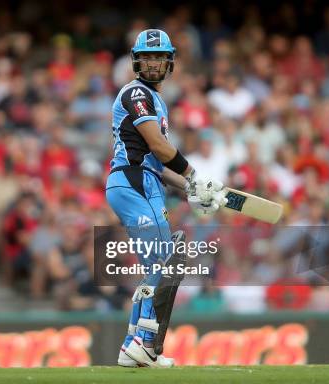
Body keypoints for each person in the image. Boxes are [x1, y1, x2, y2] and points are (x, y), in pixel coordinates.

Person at [105, 29, 227, 368]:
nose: (154, 63)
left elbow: (157, 164)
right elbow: (159, 147)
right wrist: (193, 177)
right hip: (133, 184)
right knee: (164, 260)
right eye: (148, 57)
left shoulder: (156, 101)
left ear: (169, 62)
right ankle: (145, 342)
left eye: (160, 57)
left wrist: (191, 188)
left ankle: (134, 345)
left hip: (145, 182)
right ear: (136, 61)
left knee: (153, 266)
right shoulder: (136, 93)